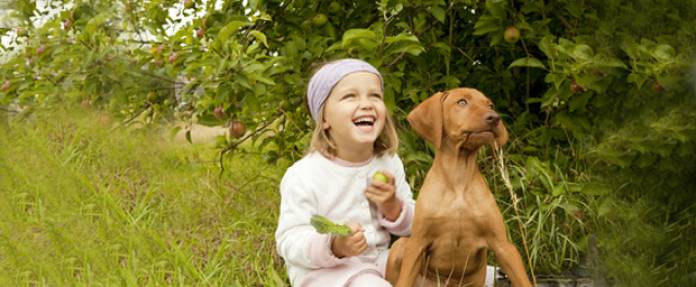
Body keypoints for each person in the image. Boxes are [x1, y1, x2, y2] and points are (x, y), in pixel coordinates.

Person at [275, 58, 415, 287]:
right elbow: (289, 240)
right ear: (325, 119)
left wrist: (393, 207)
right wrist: (334, 245)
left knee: (430, 261)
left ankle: (492, 278)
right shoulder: (303, 174)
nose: (367, 104)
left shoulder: (388, 162)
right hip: (328, 272)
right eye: (350, 96)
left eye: (375, 96)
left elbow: (413, 225)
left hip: (380, 260)